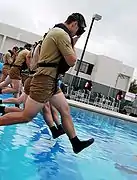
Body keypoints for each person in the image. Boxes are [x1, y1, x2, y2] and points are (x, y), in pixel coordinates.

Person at [0, 13, 94, 154]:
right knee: (26, 116)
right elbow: (72, 61)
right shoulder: (61, 34)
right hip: (45, 80)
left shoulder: (55, 32)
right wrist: (73, 44)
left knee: (65, 110)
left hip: (52, 81)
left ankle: (76, 143)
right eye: (79, 29)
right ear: (74, 24)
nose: (77, 33)